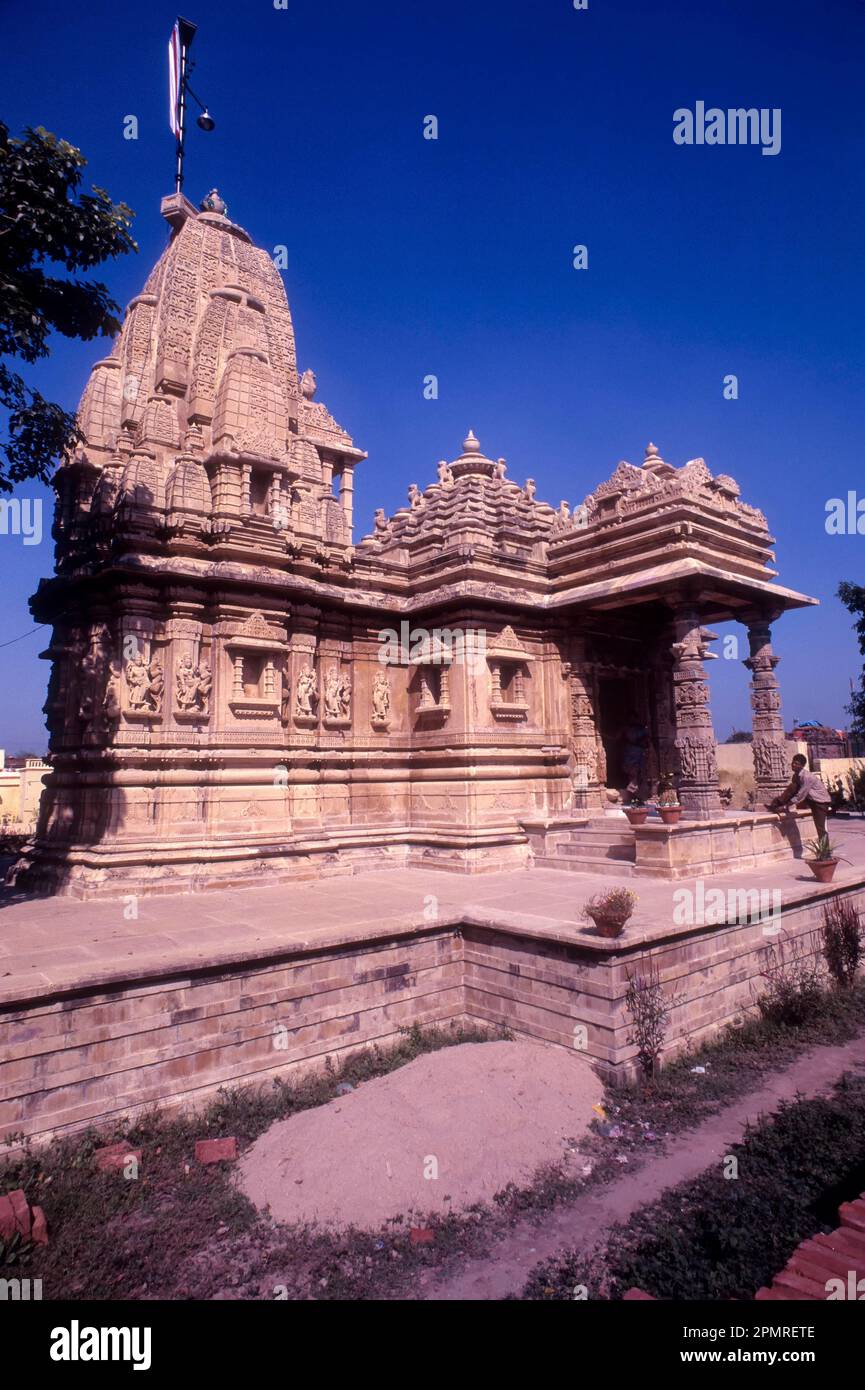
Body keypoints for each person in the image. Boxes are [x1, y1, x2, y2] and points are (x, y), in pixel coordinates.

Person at [766, 754, 831, 838]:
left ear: (802, 766)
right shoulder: (796, 776)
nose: (793, 765)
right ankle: (776, 805)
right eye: (793, 762)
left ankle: (825, 850)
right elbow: (793, 791)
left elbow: (801, 794)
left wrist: (787, 806)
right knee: (793, 786)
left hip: (821, 802)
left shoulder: (807, 777)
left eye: (797, 763)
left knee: (820, 828)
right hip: (811, 799)